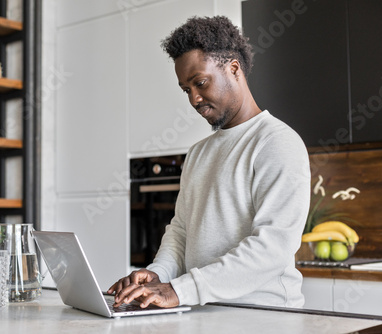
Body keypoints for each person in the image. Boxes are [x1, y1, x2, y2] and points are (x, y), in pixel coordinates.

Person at [108, 15, 310, 309]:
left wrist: (181, 290)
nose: (194, 99)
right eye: (186, 89)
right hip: (204, 312)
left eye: (200, 83)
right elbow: (181, 232)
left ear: (233, 69)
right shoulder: (198, 153)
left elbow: (273, 248)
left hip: (264, 317)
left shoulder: (277, 142)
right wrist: (157, 274)